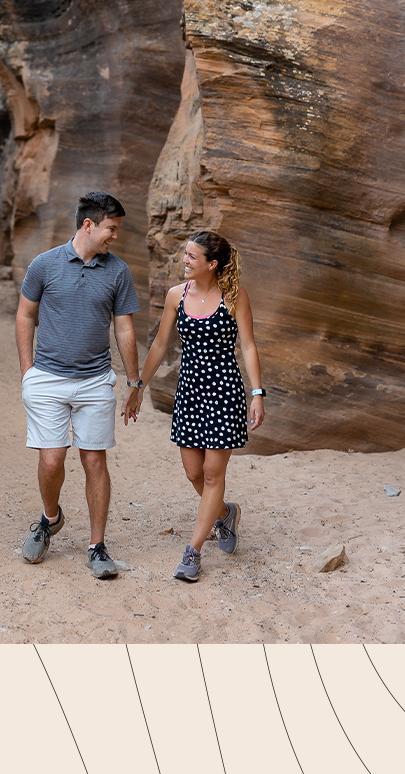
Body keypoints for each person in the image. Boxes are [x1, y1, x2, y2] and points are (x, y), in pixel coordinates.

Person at [16, 191, 143, 578]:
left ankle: (97, 545)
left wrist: (134, 381)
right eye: (111, 228)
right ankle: (49, 518)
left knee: (93, 460)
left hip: (95, 381)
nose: (114, 236)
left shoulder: (118, 271)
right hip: (47, 378)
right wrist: (27, 372)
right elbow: (25, 316)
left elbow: (124, 328)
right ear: (89, 224)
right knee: (52, 459)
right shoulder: (44, 264)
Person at [128, 231, 265, 582]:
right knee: (193, 472)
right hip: (189, 391)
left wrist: (257, 392)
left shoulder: (235, 297)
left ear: (211, 263)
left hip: (223, 392)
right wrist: (139, 385)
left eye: (191, 256)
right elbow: (159, 344)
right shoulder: (177, 295)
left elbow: (248, 347)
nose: (184, 261)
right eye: (185, 255)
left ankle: (193, 552)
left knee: (212, 474)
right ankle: (224, 514)